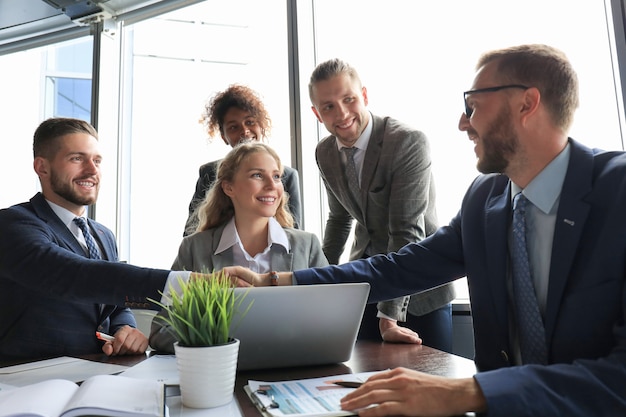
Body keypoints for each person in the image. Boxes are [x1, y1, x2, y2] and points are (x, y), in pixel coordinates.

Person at [224, 44, 626, 416]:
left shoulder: (618, 191)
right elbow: (398, 268)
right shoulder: (486, 199)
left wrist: (467, 392)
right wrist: (277, 281)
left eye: (473, 105)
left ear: (527, 102)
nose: (462, 123)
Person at [0, 117, 218, 362]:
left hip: (98, 373)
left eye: (97, 160)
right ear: (42, 167)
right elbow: (74, 274)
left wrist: (124, 329)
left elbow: (113, 304)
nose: (92, 170)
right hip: (25, 380)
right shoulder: (12, 224)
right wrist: (186, 285)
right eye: (77, 158)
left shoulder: (103, 235)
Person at [308, 58, 455, 349]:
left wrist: (389, 318)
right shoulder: (324, 152)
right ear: (317, 113)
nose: (342, 113)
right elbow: (339, 221)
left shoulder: (407, 142)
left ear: (363, 95)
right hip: (366, 286)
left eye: (348, 99)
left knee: (429, 385)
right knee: (363, 383)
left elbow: (406, 232)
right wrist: (317, 288)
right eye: (328, 106)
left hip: (421, 289)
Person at [150, 142, 328, 352]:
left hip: (293, 370)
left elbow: (331, 320)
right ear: (229, 187)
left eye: (277, 176)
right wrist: (223, 335)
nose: (272, 185)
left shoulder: (307, 246)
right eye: (258, 175)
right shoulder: (194, 249)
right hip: (220, 373)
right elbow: (160, 331)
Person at [184, 84, 302, 235]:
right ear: (223, 136)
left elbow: (295, 234)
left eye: (250, 122)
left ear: (261, 126)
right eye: (233, 127)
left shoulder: (287, 176)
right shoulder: (209, 173)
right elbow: (191, 232)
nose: (244, 131)